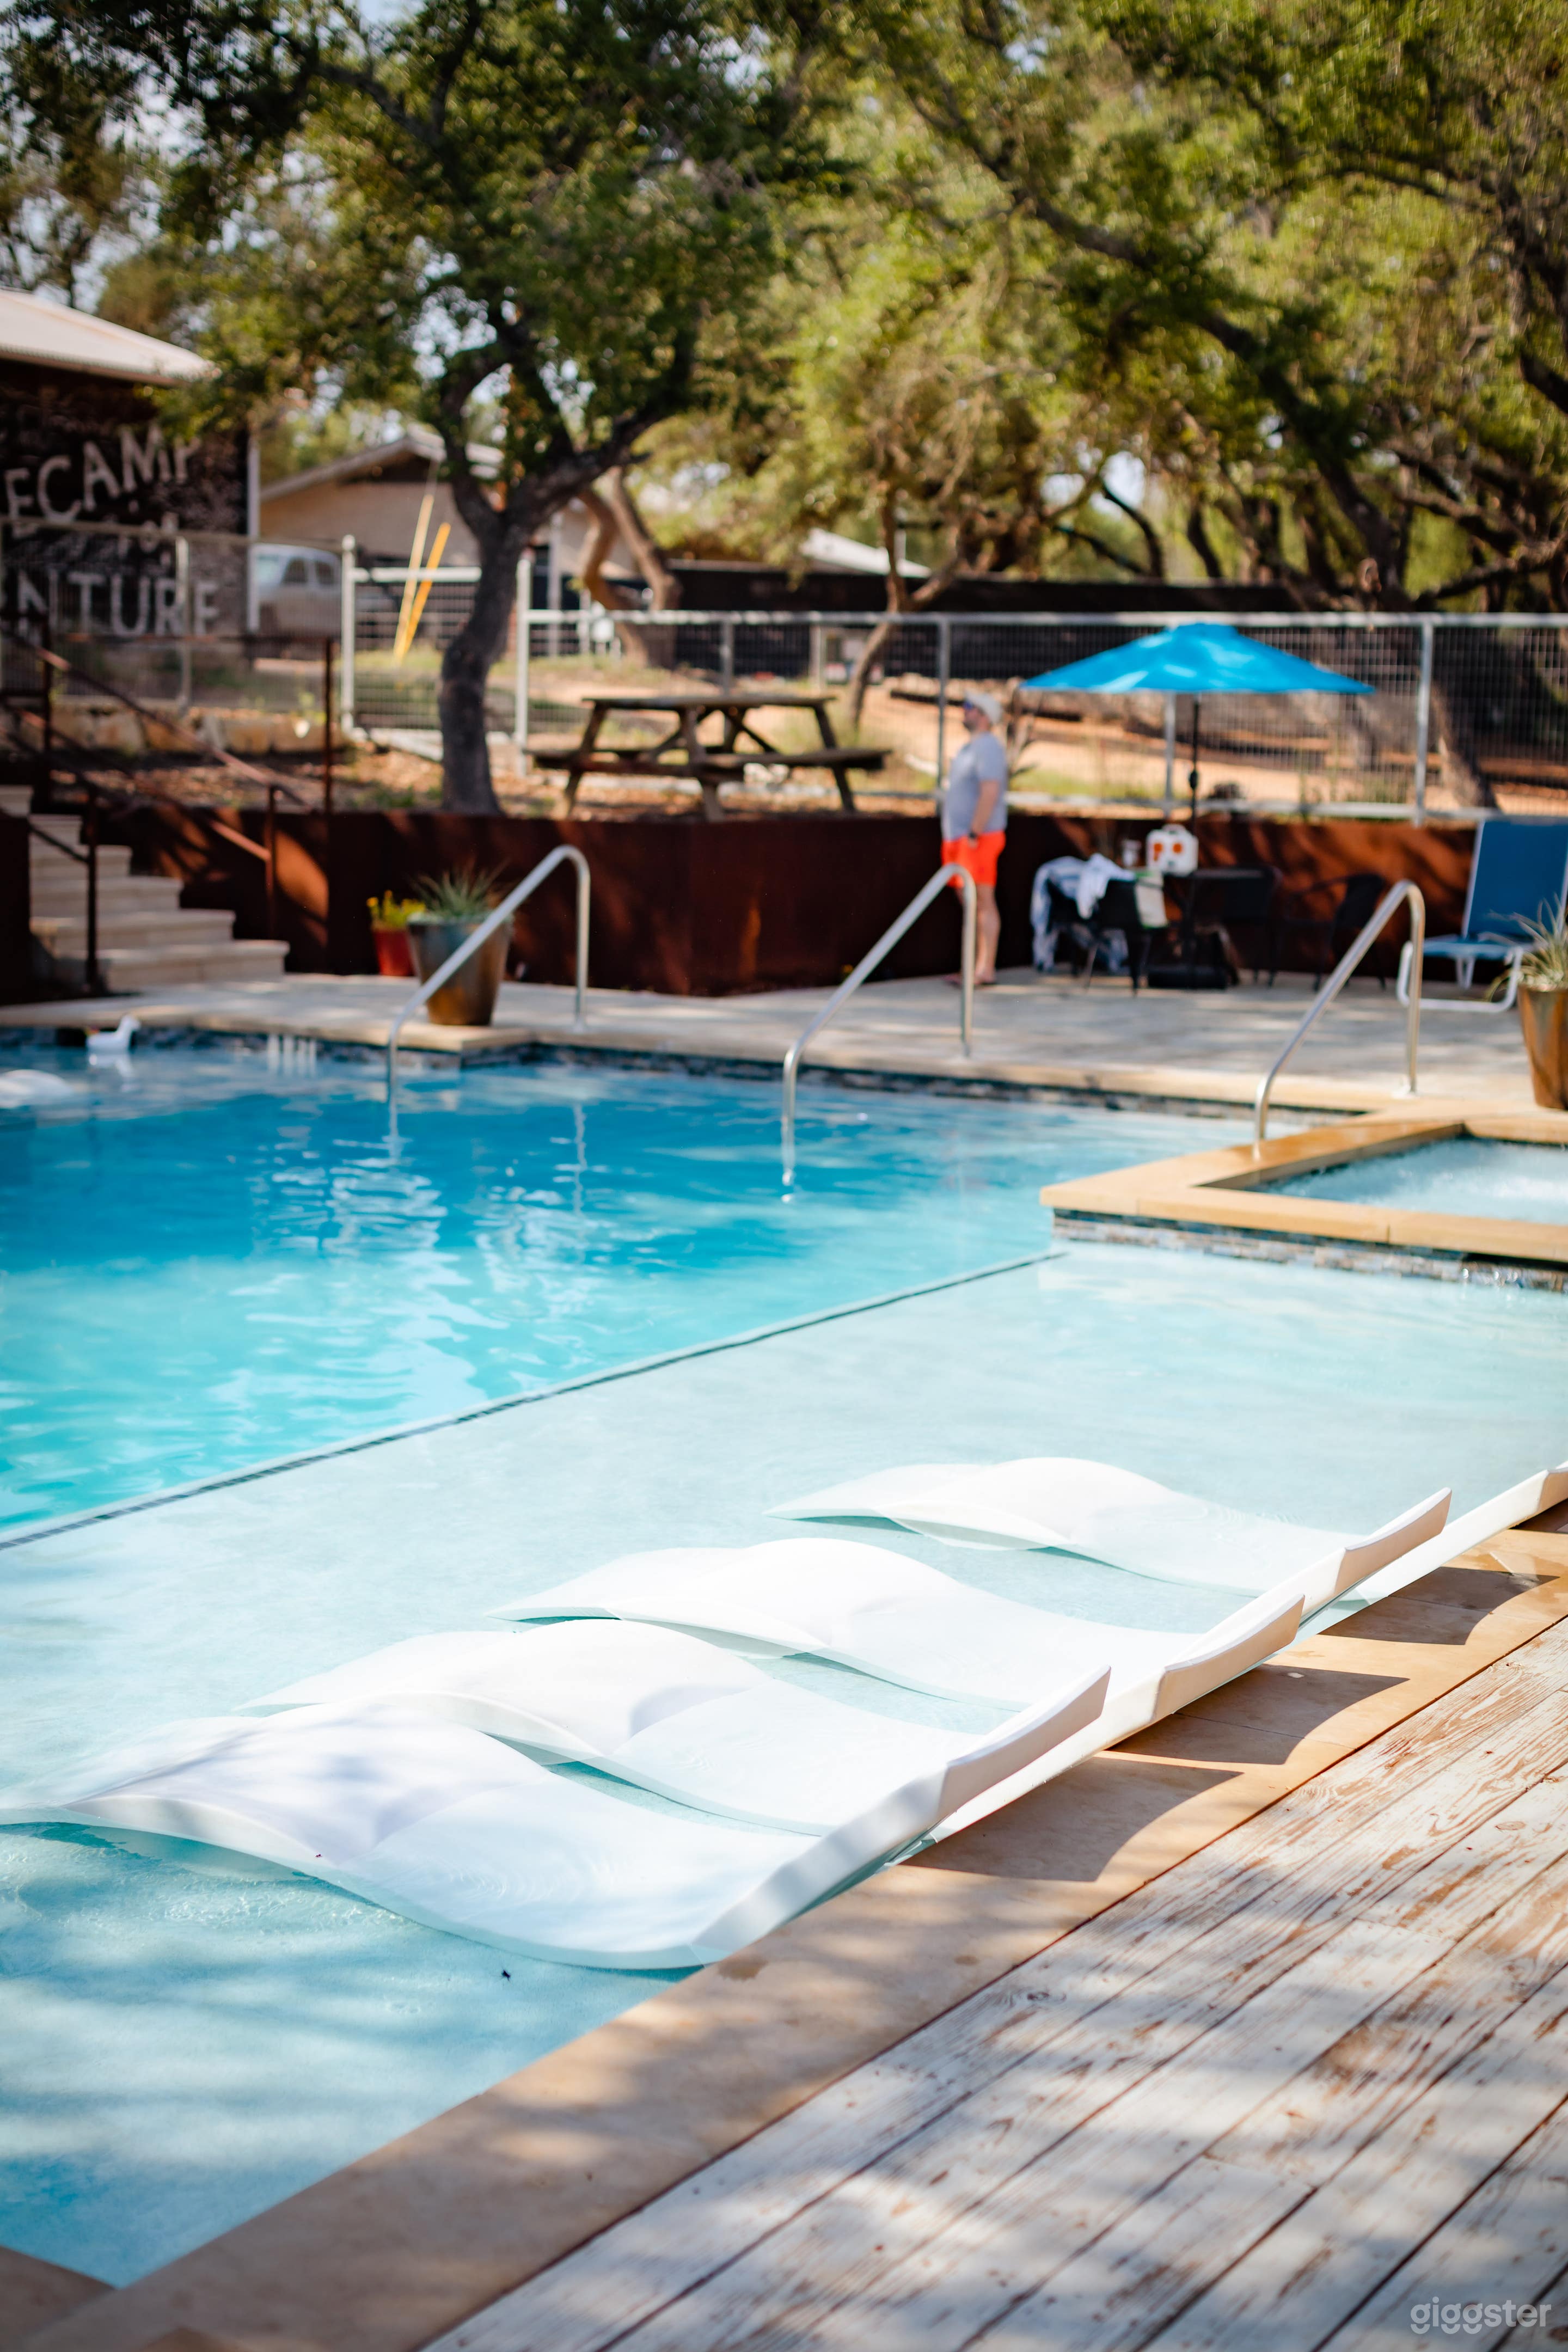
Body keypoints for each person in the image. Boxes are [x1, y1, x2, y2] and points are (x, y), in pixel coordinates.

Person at [941, 690, 1009, 983]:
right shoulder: (969, 748)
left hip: (977, 838)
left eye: (969, 707)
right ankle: (971, 968)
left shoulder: (989, 748)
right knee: (968, 901)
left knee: (982, 900)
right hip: (957, 838)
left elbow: (990, 791)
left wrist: (974, 832)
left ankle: (985, 969)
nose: (963, 711)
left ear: (983, 715)